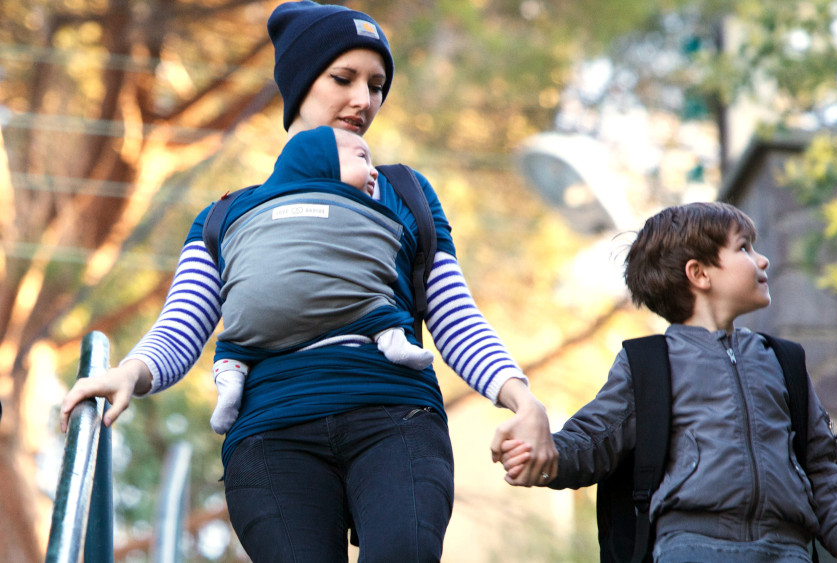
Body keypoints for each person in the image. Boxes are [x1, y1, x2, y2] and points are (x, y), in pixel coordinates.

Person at [60, 2, 556, 561]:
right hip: (272, 435)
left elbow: (454, 316)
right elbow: (182, 327)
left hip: (395, 420)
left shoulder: (405, 193)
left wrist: (521, 398)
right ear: (299, 86)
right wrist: (129, 372)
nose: (363, 100)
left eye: (377, 85)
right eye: (342, 79)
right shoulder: (225, 216)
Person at [497, 202, 837, 563]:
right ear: (699, 274)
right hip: (693, 548)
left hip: (788, 550)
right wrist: (542, 455)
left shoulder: (784, 361)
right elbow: (594, 439)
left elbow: (822, 467)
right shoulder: (649, 365)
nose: (762, 260)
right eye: (744, 248)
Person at [209, 125, 435, 435]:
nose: (373, 172)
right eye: (362, 158)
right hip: (278, 407)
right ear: (323, 159)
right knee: (382, 311)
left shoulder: (247, 211)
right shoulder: (238, 209)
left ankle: (230, 382)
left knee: (233, 351)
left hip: (266, 342)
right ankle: (394, 342)